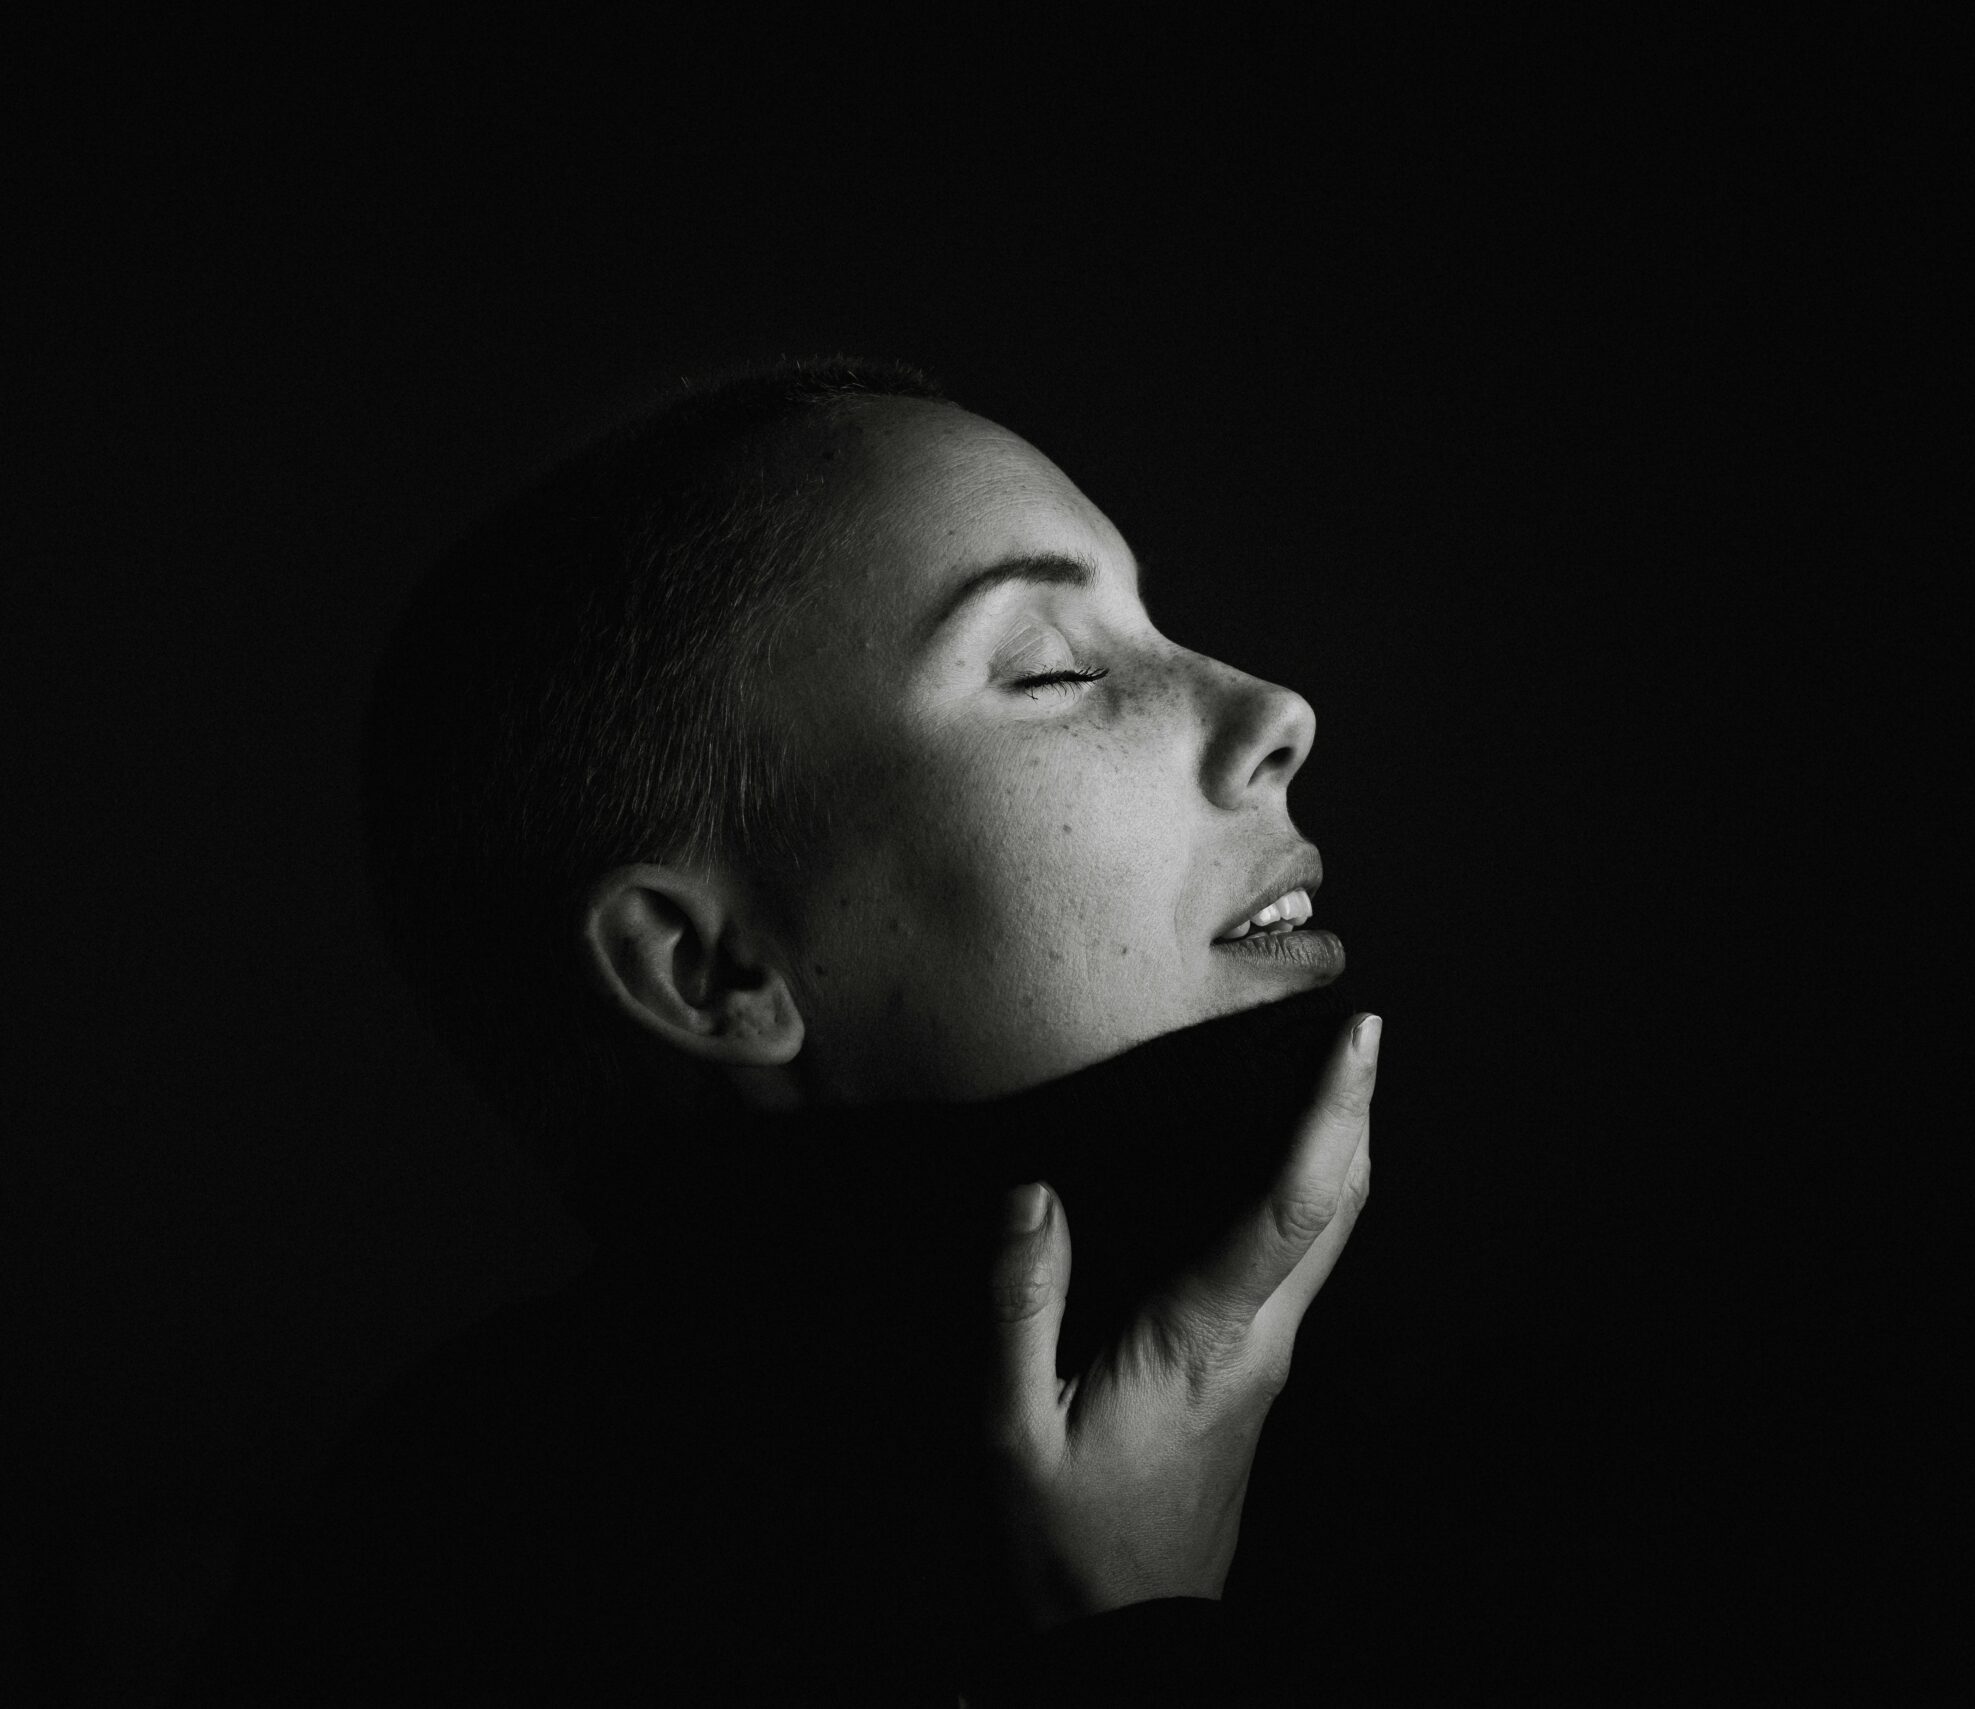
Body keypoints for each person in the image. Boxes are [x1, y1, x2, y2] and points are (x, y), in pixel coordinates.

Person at [173, 357, 1382, 1706]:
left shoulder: (1425, 1435)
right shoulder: (447, 1595)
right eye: (1051, 670)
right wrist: (1132, 1636)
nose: (1276, 711)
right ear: (715, 967)